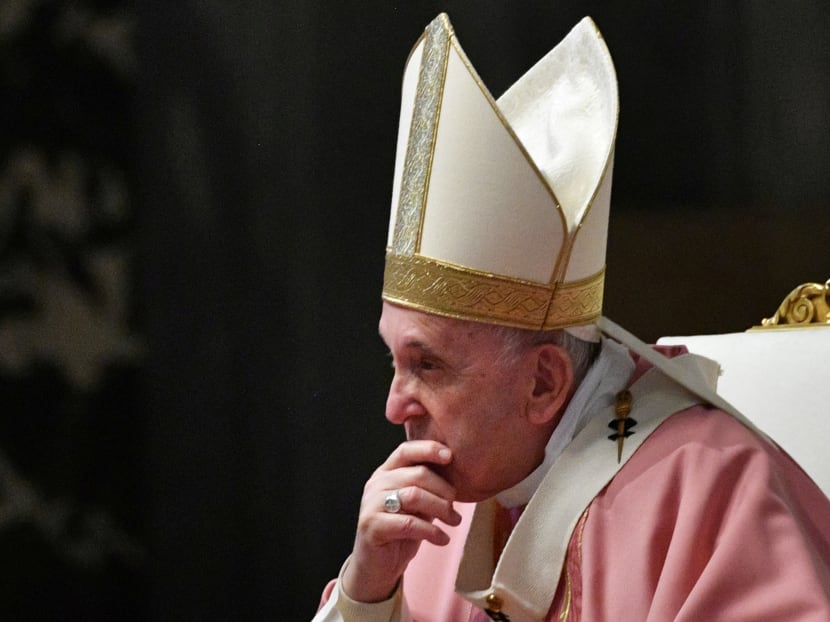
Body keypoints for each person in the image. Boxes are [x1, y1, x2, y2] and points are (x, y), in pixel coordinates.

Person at [314, 12, 830, 622]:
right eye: (394, 360)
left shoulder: (710, 489)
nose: (395, 406)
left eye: (428, 366)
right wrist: (367, 591)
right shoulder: (437, 517)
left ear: (544, 382)